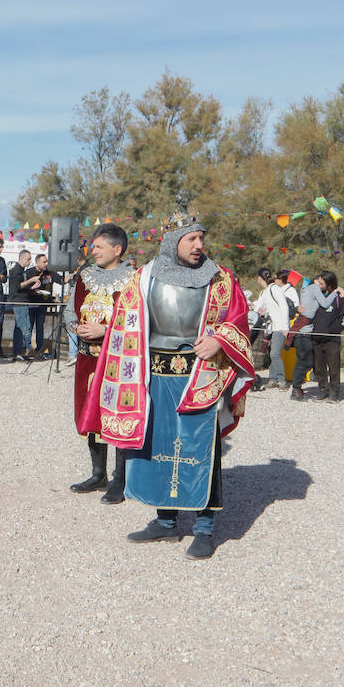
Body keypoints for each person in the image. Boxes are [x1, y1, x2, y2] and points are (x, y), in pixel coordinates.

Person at [99, 207, 253, 559]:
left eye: (202, 238)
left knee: (201, 450)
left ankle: (204, 528)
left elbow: (241, 321)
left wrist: (220, 340)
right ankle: (165, 522)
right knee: (157, 446)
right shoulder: (144, 278)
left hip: (201, 374)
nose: (199, 245)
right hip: (153, 374)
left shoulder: (221, 280)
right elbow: (125, 324)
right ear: (172, 242)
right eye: (191, 239)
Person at [62, 224, 134, 504]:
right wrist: (75, 327)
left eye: (99, 246)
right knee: (90, 411)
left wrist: (106, 331)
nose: (93, 250)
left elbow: (137, 319)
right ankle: (97, 473)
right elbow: (71, 310)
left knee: (117, 413)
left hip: (117, 358)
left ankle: (121, 478)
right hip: (86, 357)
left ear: (116, 250)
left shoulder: (132, 279)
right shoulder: (85, 276)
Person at [287, 271, 343, 400]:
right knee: (305, 361)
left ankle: (300, 388)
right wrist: (335, 293)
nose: (322, 286)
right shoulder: (314, 288)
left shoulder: (307, 289)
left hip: (304, 329)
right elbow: (324, 304)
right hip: (304, 330)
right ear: (318, 280)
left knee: (307, 361)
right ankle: (296, 389)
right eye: (322, 282)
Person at [253, 267, 298, 390]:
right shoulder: (265, 291)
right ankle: (273, 379)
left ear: (260, 278)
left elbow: (284, 307)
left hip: (280, 327)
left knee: (275, 354)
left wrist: (285, 327)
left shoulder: (275, 289)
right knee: (271, 353)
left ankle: (282, 380)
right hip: (271, 328)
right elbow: (265, 307)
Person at [308, 270, 344, 401]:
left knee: (333, 367)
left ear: (329, 284)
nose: (318, 285)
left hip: (332, 339)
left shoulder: (339, 297)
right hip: (316, 337)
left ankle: (334, 392)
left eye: (321, 283)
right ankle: (323, 390)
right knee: (318, 366)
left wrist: (335, 330)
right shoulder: (315, 294)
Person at [24, 253, 55, 358]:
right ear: (37, 262)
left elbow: (60, 279)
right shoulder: (29, 272)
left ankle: (39, 350)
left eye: (47, 261)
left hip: (42, 304)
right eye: (44, 262)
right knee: (28, 328)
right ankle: (28, 349)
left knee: (40, 328)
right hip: (30, 304)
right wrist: (32, 289)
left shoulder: (49, 272)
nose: (46, 264)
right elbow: (23, 288)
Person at [8, 249, 35, 362]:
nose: (29, 261)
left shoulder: (22, 270)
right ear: (22, 258)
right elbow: (17, 286)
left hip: (23, 300)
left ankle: (21, 351)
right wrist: (31, 280)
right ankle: (17, 352)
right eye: (28, 259)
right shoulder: (16, 270)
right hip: (18, 301)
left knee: (24, 327)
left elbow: (22, 287)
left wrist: (31, 288)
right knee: (20, 327)